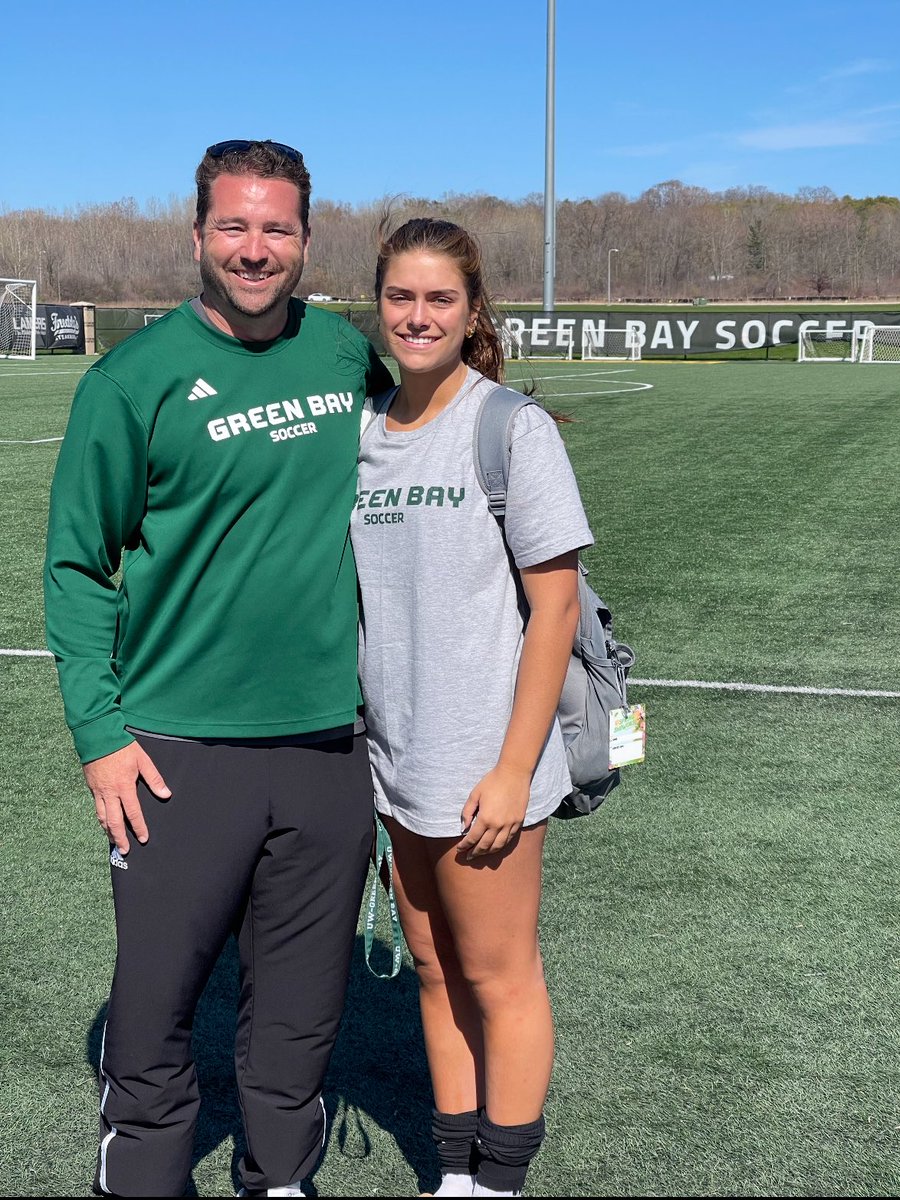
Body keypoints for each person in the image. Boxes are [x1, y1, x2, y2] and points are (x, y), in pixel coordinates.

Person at [43, 139, 394, 1199]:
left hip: (330, 752)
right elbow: (75, 564)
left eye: (276, 227)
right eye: (234, 226)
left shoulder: (343, 356)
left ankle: (279, 1181)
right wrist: (101, 735)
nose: (255, 248)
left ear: (304, 239)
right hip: (176, 756)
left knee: (298, 1017)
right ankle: (142, 1178)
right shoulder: (132, 380)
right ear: (198, 235)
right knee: (153, 1012)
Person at [352, 218, 594, 1198]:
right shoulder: (363, 433)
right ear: (380, 304)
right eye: (402, 297)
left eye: (439, 299)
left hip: (488, 766)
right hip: (395, 761)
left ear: (471, 310)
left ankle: (499, 1182)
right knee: (433, 968)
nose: (418, 316)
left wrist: (510, 768)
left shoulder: (508, 428)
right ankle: (453, 1173)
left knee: (500, 975)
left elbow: (557, 606)